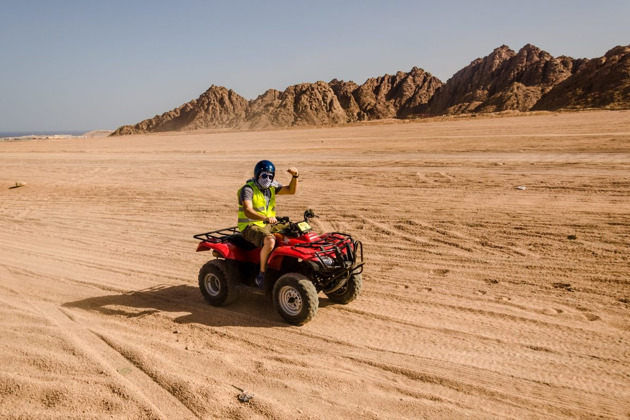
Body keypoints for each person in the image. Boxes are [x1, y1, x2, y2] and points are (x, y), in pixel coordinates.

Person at [237, 160, 299, 287]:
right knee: (270, 241)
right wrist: (265, 218)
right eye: (264, 175)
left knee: (296, 230)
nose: (267, 179)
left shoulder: (271, 188)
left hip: (268, 224)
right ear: (257, 175)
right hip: (250, 226)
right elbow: (248, 211)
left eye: (270, 176)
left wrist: (295, 177)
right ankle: (261, 274)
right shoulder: (248, 189)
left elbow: (291, 190)